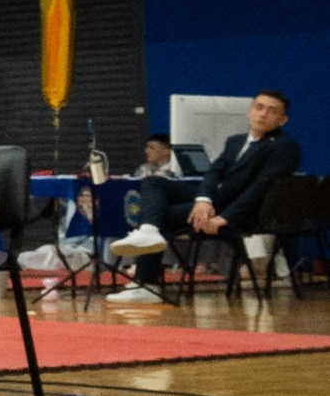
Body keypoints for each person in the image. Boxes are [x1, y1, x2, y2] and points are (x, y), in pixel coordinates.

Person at [109, 92, 300, 296]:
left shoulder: (284, 147)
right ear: (249, 110)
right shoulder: (235, 141)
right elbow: (213, 172)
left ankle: (146, 285)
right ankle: (148, 233)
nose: (263, 114)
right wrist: (202, 200)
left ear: (283, 120)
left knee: (159, 213)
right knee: (154, 181)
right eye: (259, 107)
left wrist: (224, 218)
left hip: (241, 212)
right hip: (217, 200)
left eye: (272, 111)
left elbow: (261, 189)